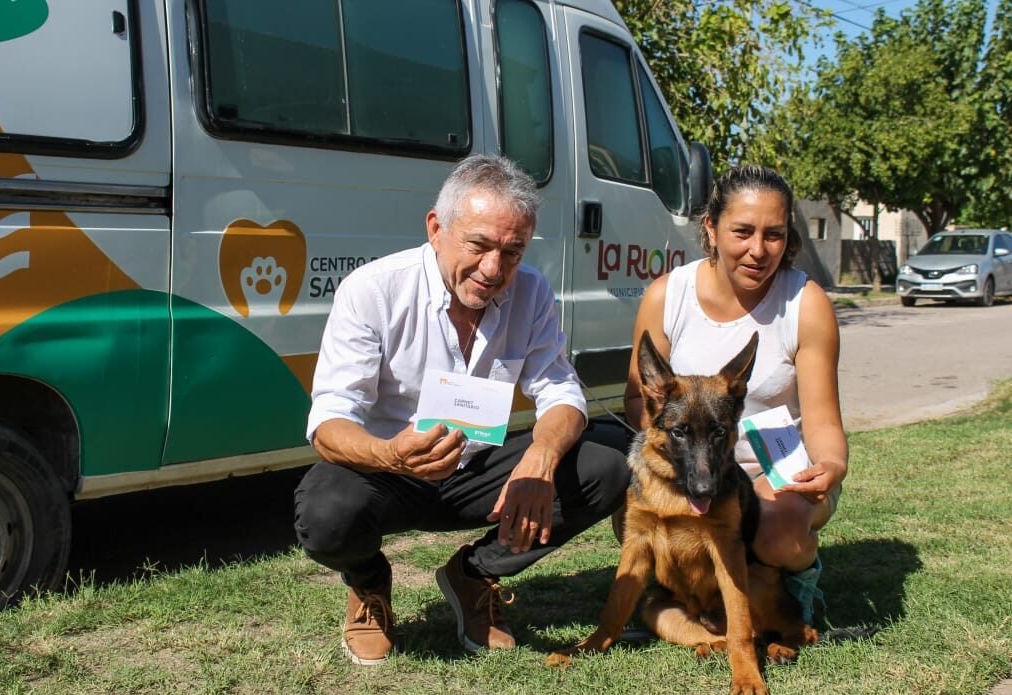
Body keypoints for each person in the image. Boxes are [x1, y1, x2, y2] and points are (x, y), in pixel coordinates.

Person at [294, 154, 630, 666]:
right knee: (325, 512)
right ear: (436, 228)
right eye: (479, 245)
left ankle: (473, 576)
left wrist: (540, 457)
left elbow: (561, 391)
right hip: (392, 469)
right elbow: (328, 421)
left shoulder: (533, 292)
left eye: (512, 252)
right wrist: (390, 455)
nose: (494, 269)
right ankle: (368, 585)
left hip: (479, 468)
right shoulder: (373, 291)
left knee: (605, 466)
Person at [623, 165, 849, 624]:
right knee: (631, 507)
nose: (758, 250)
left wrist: (830, 468)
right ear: (710, 226)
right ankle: (691, 591)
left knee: (776, 530)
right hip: (693, 463)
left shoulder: (805, 304)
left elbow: (824, 423)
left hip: (776, 470)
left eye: (775, 235)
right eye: (742, 232)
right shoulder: (668, 296)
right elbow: (637, 401)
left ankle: (794, 589)